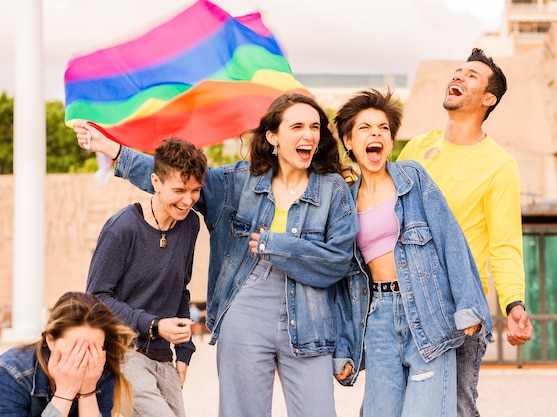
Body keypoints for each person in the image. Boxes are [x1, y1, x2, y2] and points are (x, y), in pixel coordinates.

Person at [74, 93, 359, 417]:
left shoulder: (333, 189)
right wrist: (111, 148)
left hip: (310, 319)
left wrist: (275, 246)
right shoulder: (237, 182)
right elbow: (173, 177)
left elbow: (339, 262)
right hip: (245, 311)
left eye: (315, 127)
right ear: (272, 136)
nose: (309, 134)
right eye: (297, 126)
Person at [334, 88, 492, 417]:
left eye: (383, 128)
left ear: (391, 140)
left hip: (428, 312)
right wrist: (343, 349)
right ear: (348, 142)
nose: (376, 134)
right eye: (364, 128)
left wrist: (468, 304)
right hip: (377, 319)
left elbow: (451, 237)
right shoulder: (343, 202)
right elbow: (341, 284)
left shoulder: (413, 178)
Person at [397, 48, 534, 416]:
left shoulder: (500, 165)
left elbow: (504, 245)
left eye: (471, 75)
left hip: (459, 309)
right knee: (390, 405)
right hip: (405, 299)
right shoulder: (418, 147)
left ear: (489, 99)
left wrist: (514, 304)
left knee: (457, 408)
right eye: (457, 71)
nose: (458, 76)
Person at [84, 137, 208, 417]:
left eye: (195, 190)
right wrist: (154, 325)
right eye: (179, 190)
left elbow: (181, 289)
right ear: (156, 181)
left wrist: (184, 350)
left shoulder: (190, 225)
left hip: (164, 357)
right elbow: (95, 299)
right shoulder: (122, 227)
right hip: (122, 354)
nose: (188, 200)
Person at [0, 291, 135, 417]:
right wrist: (64, 394)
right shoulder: (13, 371)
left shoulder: (100, 370)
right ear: (50, 340)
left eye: (93, 349)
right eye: (74, 348)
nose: (83, 358)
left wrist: (88, 392)